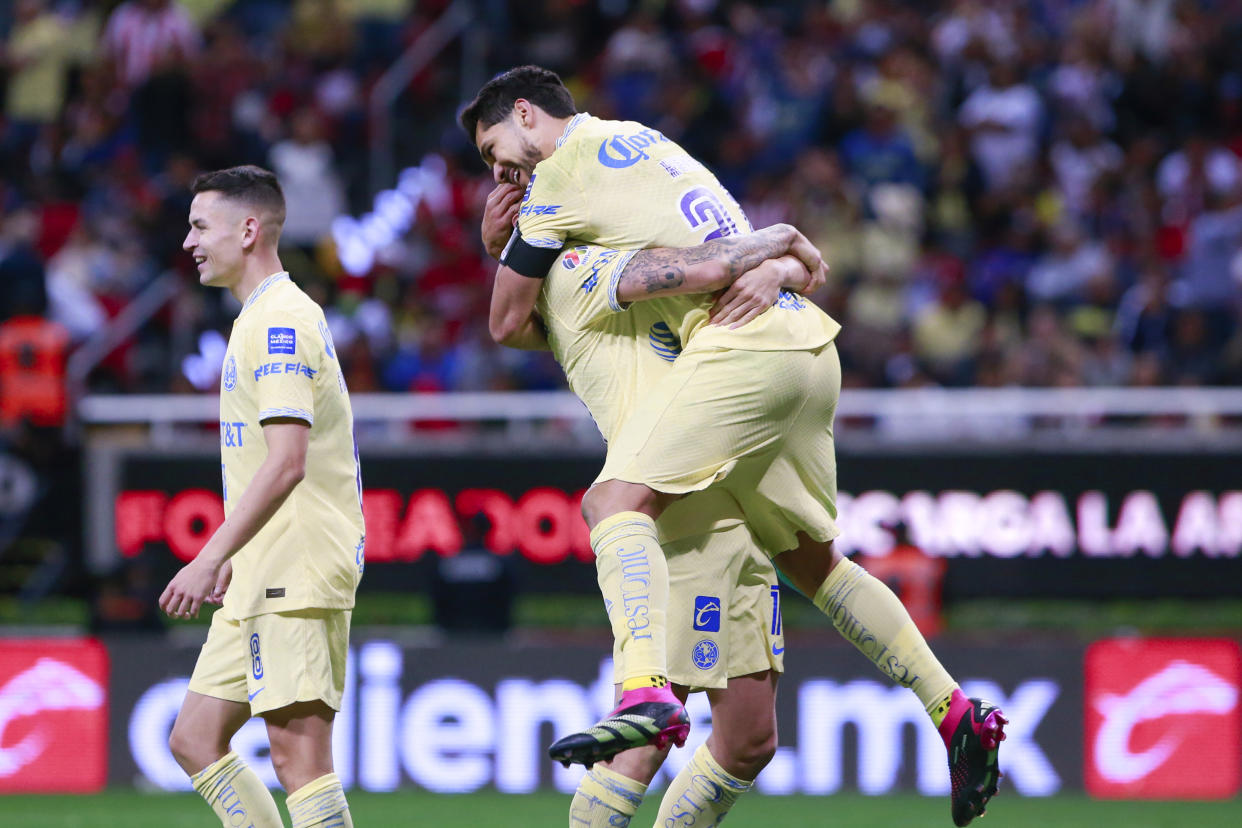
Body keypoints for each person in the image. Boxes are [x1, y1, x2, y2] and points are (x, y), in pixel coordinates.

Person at [462, 66, 1006, 826]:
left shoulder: (571, 213)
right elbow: (736, 261)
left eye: (496, 152)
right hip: (792, 361)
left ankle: (641, 687)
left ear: (528, 115)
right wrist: (783, 254)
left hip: (709, 443)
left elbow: (509, 319)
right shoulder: (646, 152)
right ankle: (952, 710)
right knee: (774, 670)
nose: (500, 176)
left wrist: (773, 247)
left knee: (614, 508)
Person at [483, 189, 820, 826]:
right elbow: (714, 266)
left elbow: (775, 282)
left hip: (731, 499)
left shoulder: (636, 274)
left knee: (749, 742)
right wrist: (781, 240)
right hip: (682, 512)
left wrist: (779, 269)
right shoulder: (590, 273)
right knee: (642, 744)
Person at [159, 165, 364, 828]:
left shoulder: (281, 321)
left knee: (298, 759)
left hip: (296, 563)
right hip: (261, 568)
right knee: (193, 738)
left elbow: (286, 464)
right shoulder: (256, 320)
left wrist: (208, 556)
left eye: (199, 226)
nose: (188, 241)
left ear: (248, 230)